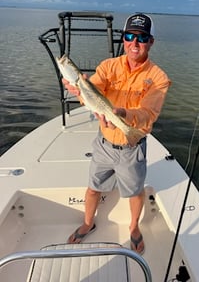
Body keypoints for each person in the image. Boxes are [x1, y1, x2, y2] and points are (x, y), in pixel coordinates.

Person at [64, 13, 171, 254]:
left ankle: (133, 227)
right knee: (93, 187)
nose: (135, 42)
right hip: (103, 144)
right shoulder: (107, 66)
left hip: (131, 147)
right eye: (130, 36)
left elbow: (148, 114)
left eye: (142, 37)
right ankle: (88, 223)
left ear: (151, 42)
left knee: (134, 191)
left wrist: (122, 113)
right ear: (123, 38)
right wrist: (77, 89)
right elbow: (93, 91)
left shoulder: (159, 79)